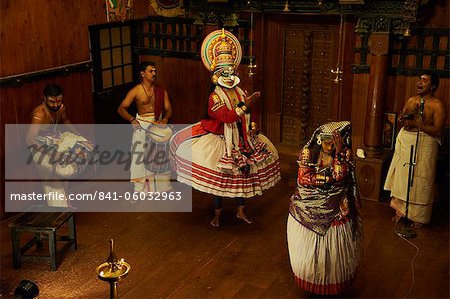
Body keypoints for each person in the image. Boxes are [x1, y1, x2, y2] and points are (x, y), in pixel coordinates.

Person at [170, 29, 281, 227]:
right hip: (222, 140)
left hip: (243, 138)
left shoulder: (240, 91)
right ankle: (217, 213)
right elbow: (226, 117)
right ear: (215, 76)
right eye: (224, 73)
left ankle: (240, 211)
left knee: (244, 178)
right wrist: (246, 106)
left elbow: (248, 114)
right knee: (219, 182)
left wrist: (253, 123)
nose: (229, 76)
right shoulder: (214, 97)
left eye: (231, 72)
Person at [287, 121, 363, 295]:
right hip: (309, 203)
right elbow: (304, 178)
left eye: (334, 141)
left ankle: (332, 279)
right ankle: (312, 278)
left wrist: (339, 152)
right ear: (319, 139)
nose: (330, 145)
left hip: (337, 203)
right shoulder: (308, 152)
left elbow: (340, 174)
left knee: (335, 247)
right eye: (327, 141)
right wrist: (328, 180)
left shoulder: (343, 152)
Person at [384, 70, 447, 228]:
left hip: (425, 143)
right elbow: (404, 118)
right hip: (407, 140)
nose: (419, 82)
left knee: (421, 177)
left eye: (424, 80)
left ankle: (418, 216)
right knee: (403, 175)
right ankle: (401, 211)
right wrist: (402, 118)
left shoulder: (437, 105)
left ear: (432, 86)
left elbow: (438, 131)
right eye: (419, 79)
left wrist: (419, 124)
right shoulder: (412, 100)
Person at [26, 84, 90, 207]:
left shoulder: (61, 108)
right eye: (51, 101)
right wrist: (51, 153)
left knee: (63, 176)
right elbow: (29, 139)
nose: (55, 105)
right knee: (53, 182)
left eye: (59, 101)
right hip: (40, 147)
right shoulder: (39, 114)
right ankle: (59, 213)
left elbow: (65, 120)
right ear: (44, 98)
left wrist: (80, 135)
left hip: (55, 141)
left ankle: (65, 208)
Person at [118, 61, 173, 193]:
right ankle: (139, 190)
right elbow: (121, 109)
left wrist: (165, 119)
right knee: (138, 157)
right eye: (151, 71)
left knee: (159, 155)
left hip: (157, 124)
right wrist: (132, 120)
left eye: (155, 71)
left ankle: (161, 188)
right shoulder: (136, 91)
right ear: (143, 74)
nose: (154, 73)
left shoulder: (161, 90)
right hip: (141, 124)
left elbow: (169, 108)